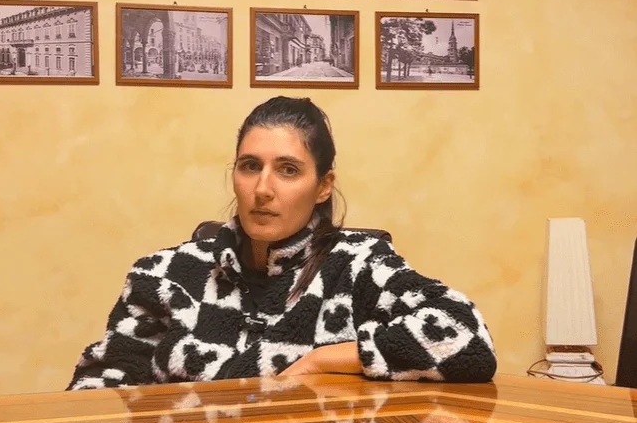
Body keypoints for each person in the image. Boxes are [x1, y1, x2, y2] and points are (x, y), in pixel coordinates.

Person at [66, 97, 496, 390]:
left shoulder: (356, 265)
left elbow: (467, 338)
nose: (262, 189)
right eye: (250, 166)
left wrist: (320, 360)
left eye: (288, 170)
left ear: (323, 185)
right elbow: (101, 386)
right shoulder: (165, 275)